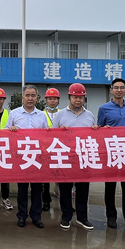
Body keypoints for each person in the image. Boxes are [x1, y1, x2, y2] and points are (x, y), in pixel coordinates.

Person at [51, 83, 98, 230]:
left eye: (81, 97)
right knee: (65, 189)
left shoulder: (89, 115)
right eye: (75, 97)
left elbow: (95, 135)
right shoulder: (60, 115)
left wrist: (96, 130)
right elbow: (52, 135)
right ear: (69, 97)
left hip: (83, 157)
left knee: (83, 189)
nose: (78, 100)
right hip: (66, 157)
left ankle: (82, 218)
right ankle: (66, 217)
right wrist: (59, 131)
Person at [6, 85, 48, 228]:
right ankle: (22, 216)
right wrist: (11, 130)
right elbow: (5, 132)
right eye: (27, 95)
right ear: (22, 97)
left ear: (37, 98)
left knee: (37, 189)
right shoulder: (14, 114)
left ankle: (36, 216)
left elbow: (46, 136)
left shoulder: (42, 115)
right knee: (22, 189)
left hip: (37, 158)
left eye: (33, 95)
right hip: (21, 157)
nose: (30, 98)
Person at [97, 78, 125, 229]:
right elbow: (99, 130)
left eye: (122, 87)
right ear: (111, 90)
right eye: (116, 87)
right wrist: (102, 130)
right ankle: (111, 216)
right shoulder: (103, 108)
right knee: (110, 187)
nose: (119, 90)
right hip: (111, 152)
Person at [41, 87, 60, 211]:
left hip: (60, 149)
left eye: (55, 99)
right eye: (50, 99)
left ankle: (63, 200)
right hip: (45, 149)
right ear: (46, 100)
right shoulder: (40, 114)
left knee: (62, 176)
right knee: (45, 178)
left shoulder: (63, 113)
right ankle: (46, 201)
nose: (52, 101)